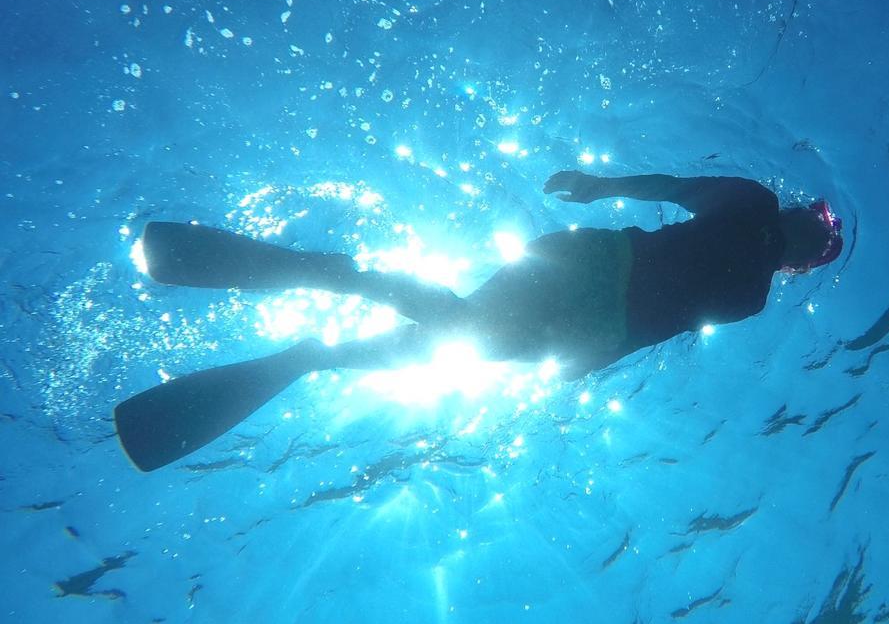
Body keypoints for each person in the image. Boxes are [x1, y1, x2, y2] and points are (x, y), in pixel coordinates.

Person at [115, 170, 843, 471]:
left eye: (824, 240)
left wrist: (576, 364)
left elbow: (667, 314)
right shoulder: (749, 206)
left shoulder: (754, 290)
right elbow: (676, 191)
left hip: (586, 325)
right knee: (461, 329)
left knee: (455, 334)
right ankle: (336, 286)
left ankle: (318, 347)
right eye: (820, 222)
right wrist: (599, 186)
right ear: (798, 219)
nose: (815, 236)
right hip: (590, 281)